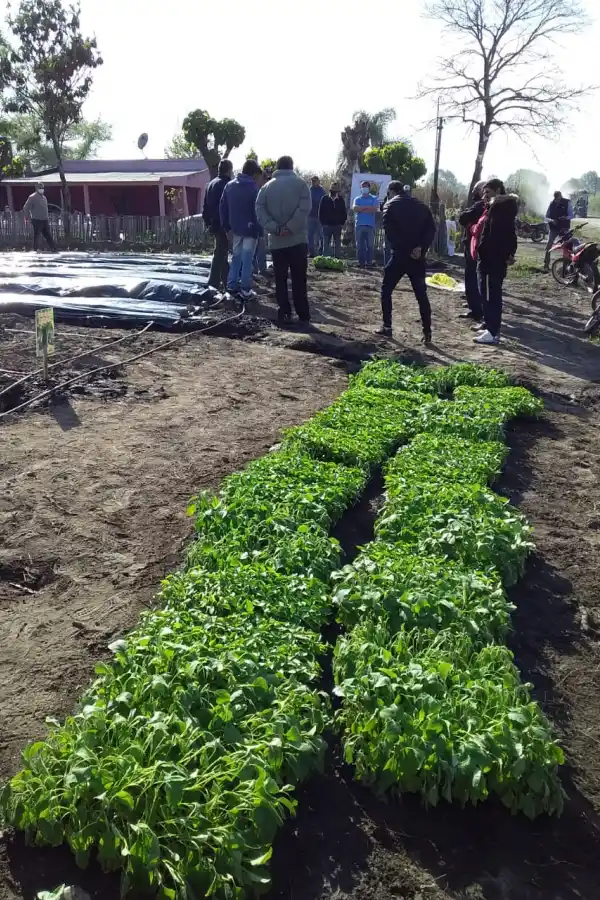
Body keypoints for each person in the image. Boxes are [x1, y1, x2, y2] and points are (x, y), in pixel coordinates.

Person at [256, 155, 311, 328]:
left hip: (277, 241)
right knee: (299, 279)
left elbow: (259, 209)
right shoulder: (302, 185)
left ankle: (284, 312)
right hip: (297, 239)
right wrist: (291, 227)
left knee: (280, 279)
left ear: (277, 168)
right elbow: (304, 209)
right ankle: (303, 315)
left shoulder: (266, 188)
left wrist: (276, 228)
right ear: (292, 166)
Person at [379, 180, 436, 343]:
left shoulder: (389, 206)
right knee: (421, 295)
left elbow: (390, 234)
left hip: (399, 256)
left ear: (391, 191)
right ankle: (427, 333)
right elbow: (431, 230)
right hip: (417, 258)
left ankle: (387, 327)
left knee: (386, 289)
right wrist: (420, 248)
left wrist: (406, 250)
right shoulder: (422, 206)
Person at [471, 178, 518, 345]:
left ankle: (492, 332)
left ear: (498, 191)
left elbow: (498, 236)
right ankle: (490, 327)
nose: (484, 195)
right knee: (487, 295)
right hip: (490, 260)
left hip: (492, 261)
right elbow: (511, 235)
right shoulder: (496, 207)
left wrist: (486, 251)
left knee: (491, 296)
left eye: (487, 192)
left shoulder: (500, 209)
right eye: (483, 192)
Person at [219, 159, 262, 302]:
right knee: (247, 259)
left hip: (235, 229)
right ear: (254, 173)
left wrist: (226, 228)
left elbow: (222, 207)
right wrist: (259, 231)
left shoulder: (229, 186)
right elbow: (257, 212)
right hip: (250, 230)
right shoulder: (254, 189)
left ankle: (231, 286)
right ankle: (245, 289)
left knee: (236, 258)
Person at [202, 159, 233, 289]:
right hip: (223, 225)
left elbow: (205, 207)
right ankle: (213, 283)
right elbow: (227, 207)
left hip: (214, 224)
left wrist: (208, 223)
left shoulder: (210, 184)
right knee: (220, 253)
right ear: (229, 170)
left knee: (222, 253)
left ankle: (227, 281)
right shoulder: (227, 185)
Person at [458, 180, 486, 323]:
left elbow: (462, 218)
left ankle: (475, 310)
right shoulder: (486, 206)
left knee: (472, 277)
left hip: (474, 246)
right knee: (475, 278)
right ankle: (474, 306)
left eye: (476, 189)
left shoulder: (480, 205)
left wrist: (469, 224)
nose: (474, 192)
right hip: (477, 246)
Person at [544, 190, 573, 271]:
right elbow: (546, 217)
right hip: (554, 228)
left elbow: (571, 215)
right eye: (556, 199)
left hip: (564, 227)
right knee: (549, 244)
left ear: (561, 196)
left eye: (559, 199)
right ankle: (546, 264)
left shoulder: (567, 203)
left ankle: (566, 266)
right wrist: (552, 220)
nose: (557, 201)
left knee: (567, 246)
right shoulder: (551, 204)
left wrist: (565, 217)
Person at [353, 181, 379, 268]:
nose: (364, 188)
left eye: (366, 186)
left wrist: (361, 209)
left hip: (370, 226)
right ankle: (361, 263)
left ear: (369, 188)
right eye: (363, 186)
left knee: (370, 245)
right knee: (360, 245)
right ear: (361, 188)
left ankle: (369, 262)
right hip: (359, 225)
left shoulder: (374, 198)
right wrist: (368, 208)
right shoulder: (357, 199)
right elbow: (355, 208)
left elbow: (374, 209)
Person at [23, 183, 56, 251]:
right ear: (36, 188)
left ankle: (53, 248)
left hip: (45, 219)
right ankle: (35, 249)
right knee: (37, 235)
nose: (42, 189)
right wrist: (29, 218)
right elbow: (26, 208)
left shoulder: (44, 197)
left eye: (42, 187)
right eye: (40, 187)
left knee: (48, 235)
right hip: (37, 219)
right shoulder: (32, 197)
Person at [318, 181, 347, 258]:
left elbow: (344, 212)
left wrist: (341, 223)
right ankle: (325, 261)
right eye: (332, 188)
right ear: (330, 189)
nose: (333, 190)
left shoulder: (340, 200)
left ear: (338, 190)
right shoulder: (324, 199)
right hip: (327, 226)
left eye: (335, 188)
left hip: (337, 226)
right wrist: (323, 224)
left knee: (337, 245)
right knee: (326, 245)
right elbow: (320, 212)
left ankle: (337, 260)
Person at [253, 169, 270, 277]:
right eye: (267, 178)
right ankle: (256, 269)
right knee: (256, 247)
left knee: (261, 247)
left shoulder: (265, 190)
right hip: (256, 222)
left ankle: (261, 268)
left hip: (262, 222)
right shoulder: (256, 190)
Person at [307, 175, 326, 258]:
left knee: (321, 234)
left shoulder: (322, 191)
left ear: (318, 181)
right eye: (312, 181)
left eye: (315, 180)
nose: (313, 182)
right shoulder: (309, 190)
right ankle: (311, 252)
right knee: (309, 235)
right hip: (310, 216)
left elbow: (323, 201)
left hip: (320, 216)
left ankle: (321, 252)